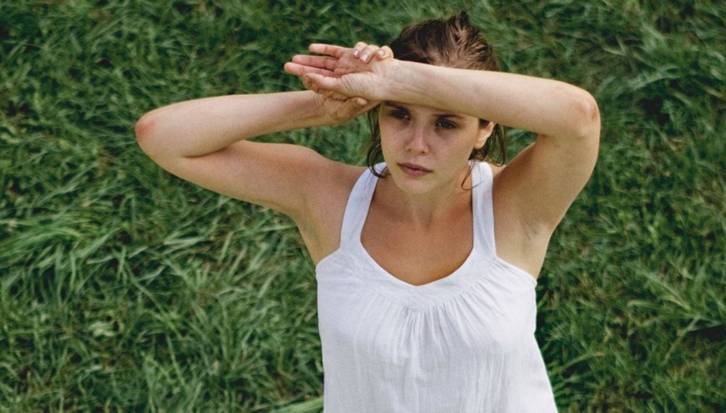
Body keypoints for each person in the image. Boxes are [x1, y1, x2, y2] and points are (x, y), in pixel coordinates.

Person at [135, 10, 599, 413]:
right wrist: (321, 106)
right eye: (398, 114)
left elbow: (578, 118)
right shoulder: (327, 198)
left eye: (446, 122)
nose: (417, 145)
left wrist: (399, 80)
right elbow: (163, 136)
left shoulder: (514, 206)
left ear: (483, 130)